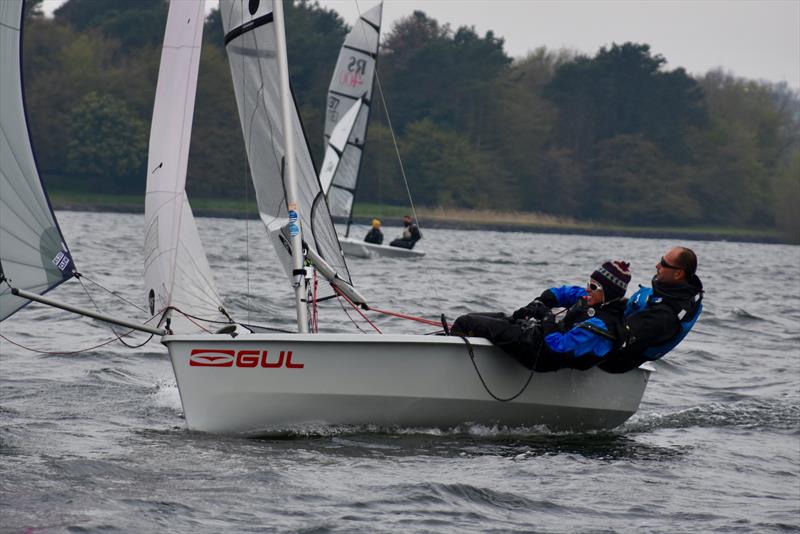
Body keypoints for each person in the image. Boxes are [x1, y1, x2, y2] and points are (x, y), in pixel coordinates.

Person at [451, 260, 633, 371]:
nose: (587, 290)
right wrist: (539, 303)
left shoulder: (603, 326)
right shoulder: (594, 300)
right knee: (485, 317)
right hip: (537, 339)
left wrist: (547, 318)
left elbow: (558, 348)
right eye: (589, 284)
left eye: (593, 287)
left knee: (465, 322)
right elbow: (563, 292)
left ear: (608, 293)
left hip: (538, 354)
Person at [599, 246, 703, 373]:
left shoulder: (663, 315)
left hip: (609, 361)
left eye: (663, 264)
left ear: (678, 274)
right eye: (661, 260)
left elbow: (618, 338)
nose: (657, 265)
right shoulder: (672, 293)